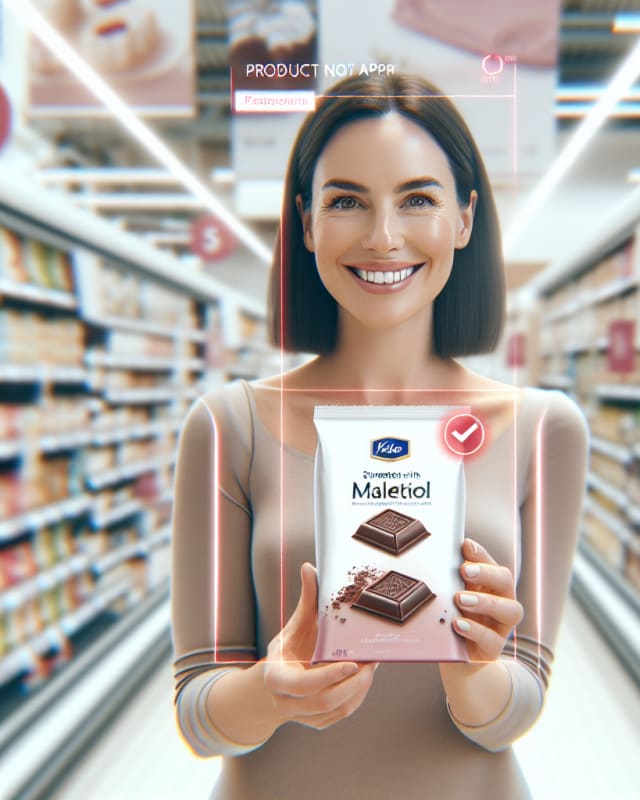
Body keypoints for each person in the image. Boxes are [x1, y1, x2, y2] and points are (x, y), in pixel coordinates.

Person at [171, 72, 589, 800]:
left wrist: (473, 670)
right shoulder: (226, 427)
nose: (383, 237)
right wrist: (270, 695)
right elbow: (198, 716)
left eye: (418, 199)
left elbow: (519, 708)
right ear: (305, 224)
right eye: (346, 202)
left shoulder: (543, 430)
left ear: (464, 218)